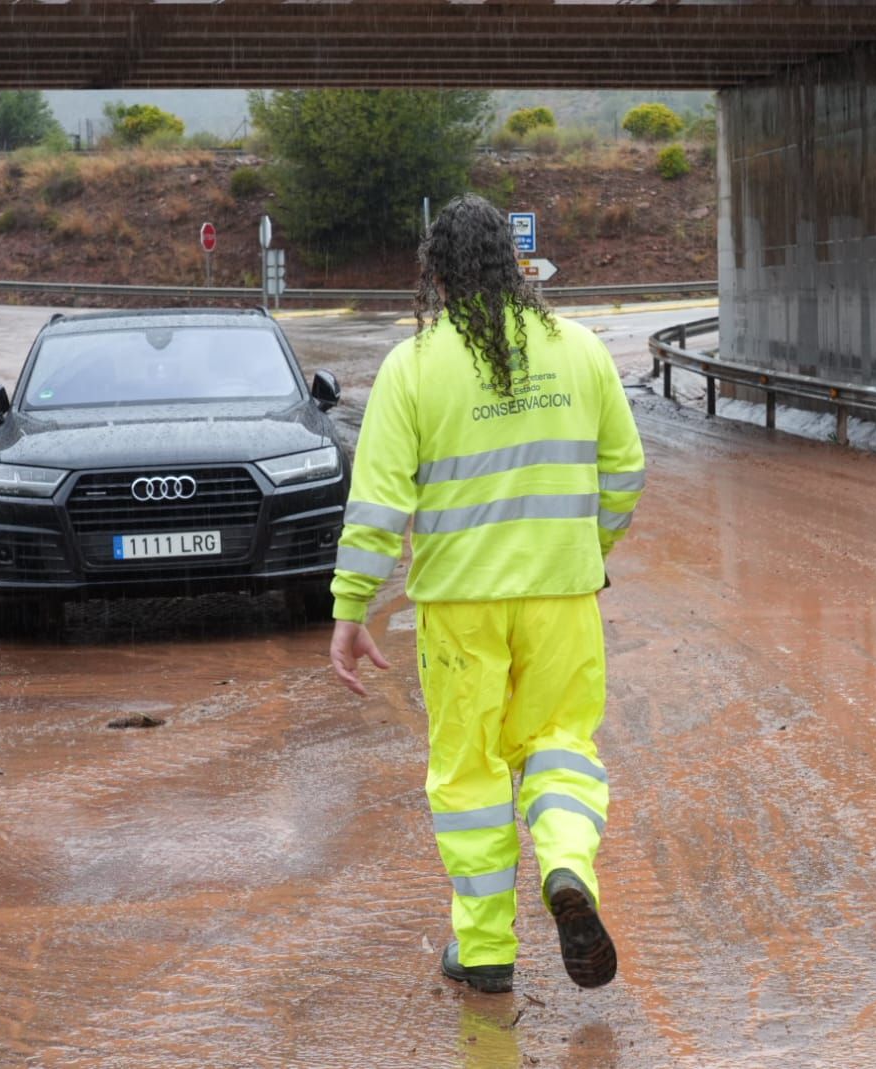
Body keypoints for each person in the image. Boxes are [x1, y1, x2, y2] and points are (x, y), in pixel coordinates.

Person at [327, 194, 645, 995]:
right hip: (562, 596)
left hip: (460, 607)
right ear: (515, 264)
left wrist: (351, 606)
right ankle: (568, 866)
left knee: (470, 776)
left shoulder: (414, 364)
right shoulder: (580, 349)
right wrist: (590, 551)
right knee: (562, 745)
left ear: (434, 275)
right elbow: (627, 473)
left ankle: (486, 948)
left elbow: (377, 505)